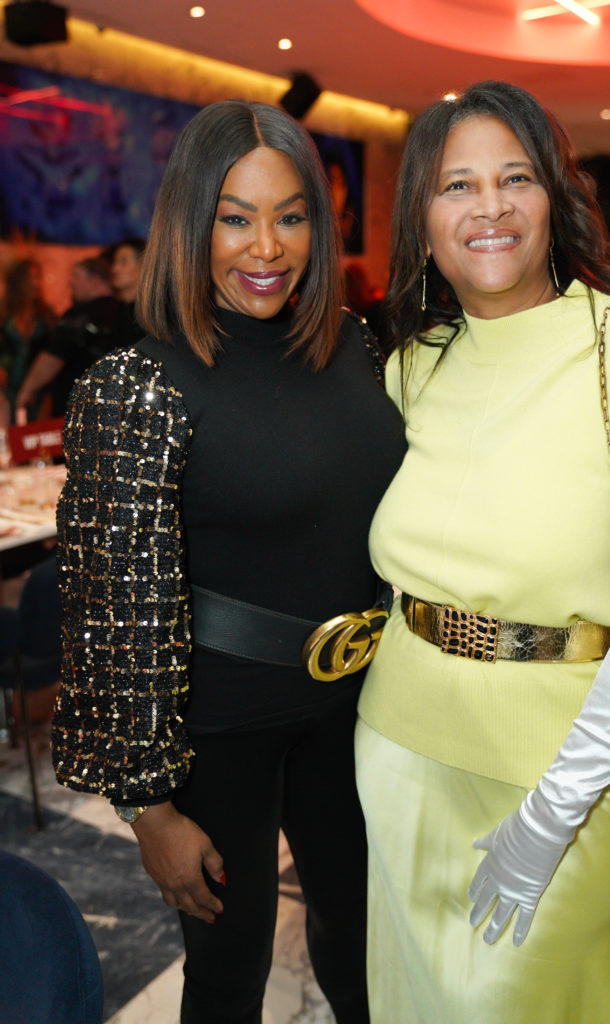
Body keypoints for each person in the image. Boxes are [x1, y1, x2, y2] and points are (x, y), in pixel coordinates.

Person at [51, 99, 406, 1024]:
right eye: (235, 218)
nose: (267, 248)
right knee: (228, 973)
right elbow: (109, 613)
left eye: (290, 216)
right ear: (189, 223)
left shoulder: (353, 346)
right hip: (219, 729)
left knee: (365, 944)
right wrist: (148, 808)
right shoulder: (136, 385)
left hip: (360, 707)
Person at [354, 80, 610, 1024]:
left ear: (555, 199)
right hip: (400, 749)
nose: (488, 206)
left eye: (515, 178)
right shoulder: (413, 364)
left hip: (574, 774)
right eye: (456, 185)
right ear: (422, 223)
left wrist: (550, 817)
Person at [15, 255, 121, 417]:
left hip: (78, 408)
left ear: (94, 280)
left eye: (76, 276)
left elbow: (53, 358)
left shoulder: (79, 315)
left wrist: (28, 388)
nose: (71, 282)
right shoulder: (125, 312)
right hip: (113, 407)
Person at [0, 258, 56, 420]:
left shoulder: (45, 315)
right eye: (30, 278)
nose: (35, 283)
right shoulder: (4, 313)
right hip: (6, 387)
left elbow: (54, 352)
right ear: (18, 281)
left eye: (38, 277)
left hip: (37, 390)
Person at [108, 236, 146, 346]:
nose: (115, 268)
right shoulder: (114, 309)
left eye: (123, 262)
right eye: (114, 262)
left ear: (142, 266)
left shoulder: (148, 316)